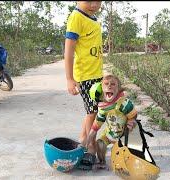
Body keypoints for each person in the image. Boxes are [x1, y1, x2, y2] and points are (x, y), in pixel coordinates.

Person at [64, 1, 103, 148]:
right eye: (88, 1)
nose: (94, 4)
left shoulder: (92, 19)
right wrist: (69, 78)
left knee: (92, 111)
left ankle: (83, 138)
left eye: (98, 1)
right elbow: (69, 51)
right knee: (93, 112)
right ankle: (90, 147)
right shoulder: (76, 17)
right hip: (86, 76)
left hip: (96, 74)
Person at [84, 74, 137, 169]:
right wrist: (86, 142)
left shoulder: (123, 103)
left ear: (118, 89)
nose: (109, 86)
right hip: (110, 134)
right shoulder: (103, 108)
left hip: (123, 135)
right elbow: (95, 127)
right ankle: (102, 162)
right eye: (106, 84)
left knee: (120, 157)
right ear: (101, 89)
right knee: (100, 143)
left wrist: (131, 121)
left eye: (113, 84)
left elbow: (133, 115)